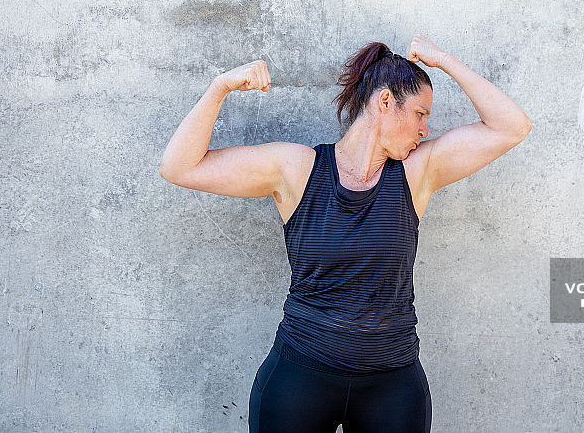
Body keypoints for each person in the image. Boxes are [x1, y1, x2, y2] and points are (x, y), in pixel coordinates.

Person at [158, 33, 532, 433]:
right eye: (421, 113)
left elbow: (513, 127)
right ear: (385, 102)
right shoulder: (297, 170)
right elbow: (179, 167)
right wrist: (221, 87)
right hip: (300, 379)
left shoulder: (417, 172)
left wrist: (443, 60)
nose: (425, 129)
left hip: (392, 386)